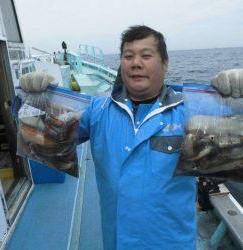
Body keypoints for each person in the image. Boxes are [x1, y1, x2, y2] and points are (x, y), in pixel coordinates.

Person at [19, 25, 243, 250]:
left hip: (172, 243)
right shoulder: (97, 110)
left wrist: (236, 101)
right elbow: (44, 137)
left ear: (165, 65)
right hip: (117, 242)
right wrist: (35, 100)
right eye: (128, 56)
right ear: (121, 64)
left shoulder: (190, 111)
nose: (136, 62)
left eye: (146, 55)